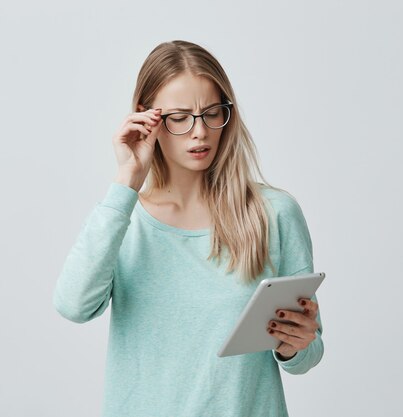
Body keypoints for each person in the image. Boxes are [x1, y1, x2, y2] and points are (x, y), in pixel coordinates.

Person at [52, 40, 324, 417]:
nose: (200, 132)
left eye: (212, 113)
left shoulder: (273, 213)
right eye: (179, 118)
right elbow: (73, 305)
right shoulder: (122, 219)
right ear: (147, 119)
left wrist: (293, 345)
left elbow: (308, 352)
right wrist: (126, 180)